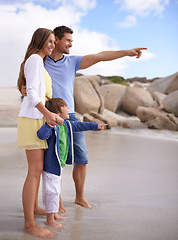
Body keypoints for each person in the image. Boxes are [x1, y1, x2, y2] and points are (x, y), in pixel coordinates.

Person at [21, 25, 147, 209]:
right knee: (53, 160)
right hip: (48, 117)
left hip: (69, 115)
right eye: (68, 40)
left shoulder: (72, 61)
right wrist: (22, 89)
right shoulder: (40, 60)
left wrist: (127, 52)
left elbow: (100, 56)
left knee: (81, 158)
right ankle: (57, 201)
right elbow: (26, 84)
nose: (71, 44)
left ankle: (80, 196)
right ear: (56, 39)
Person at [17, 28, 63, 238]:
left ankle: (35, 208)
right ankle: (29, 224)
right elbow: (33, 93)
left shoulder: (37, 61)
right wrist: (47, 114)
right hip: (33, 119)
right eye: (49, 41)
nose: (52, 44)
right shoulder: (35, 59)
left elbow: (31, 89)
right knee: (34, 171)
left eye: (54, 41)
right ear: (40, 40)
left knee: (37, 169)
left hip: (36, 118)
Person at [37, 98, 106, 228]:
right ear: (57, 112)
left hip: (59, 165)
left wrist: (95, 126)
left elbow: (79, 125)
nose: (69, 109)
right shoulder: (53, 126)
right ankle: (50, 219)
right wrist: (48, 125)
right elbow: (41, 135)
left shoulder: (66, 124)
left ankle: (54, 214)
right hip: (51, 165)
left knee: (54, 190)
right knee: (51, 191)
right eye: (65, 106)